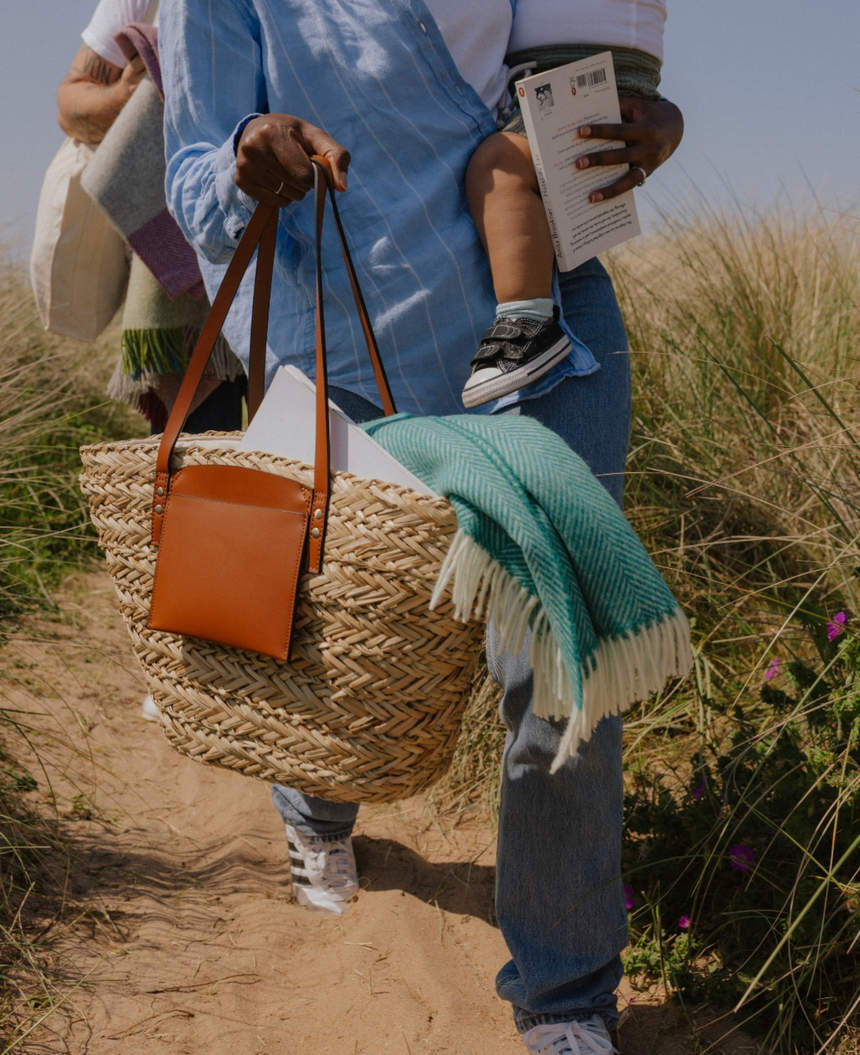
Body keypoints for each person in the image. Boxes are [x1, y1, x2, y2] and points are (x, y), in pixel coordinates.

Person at [160, 2, 682, 1050]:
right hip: (358, 325)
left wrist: (641, 120)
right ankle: (317, 803)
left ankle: (564, 995)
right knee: (358, 630)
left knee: (556, 636)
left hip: (542, 305)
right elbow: (191, 180)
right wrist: (247, 159)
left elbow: (563, 62)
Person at [58, 0, 247, 722]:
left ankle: (278, 647)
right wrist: (148, 90)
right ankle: (192, 662)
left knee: (302, 447)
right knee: (198, 451)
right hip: (179, 276)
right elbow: (71, 102)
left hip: (295, 228)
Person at [462, 3, 666, 408]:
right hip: (567, 68)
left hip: (581, 67)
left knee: (499, 167)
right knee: (518, 176)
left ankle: (528, 323)